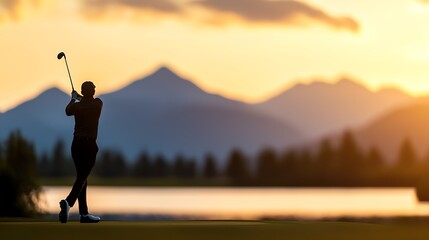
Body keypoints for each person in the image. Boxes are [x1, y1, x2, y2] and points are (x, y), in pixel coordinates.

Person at [59, 81, 103, 223]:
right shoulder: (98, 104)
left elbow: (67, 111)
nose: (96, 89)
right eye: (94, 88)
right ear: (93, 91)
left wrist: (73, 98)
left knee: (82, 177)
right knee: (82, 176)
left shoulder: (77, 106)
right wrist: (78, 97)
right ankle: (68, 202)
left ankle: (84, 214)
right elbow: (88, 102)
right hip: (89, 145)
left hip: (76, 144)